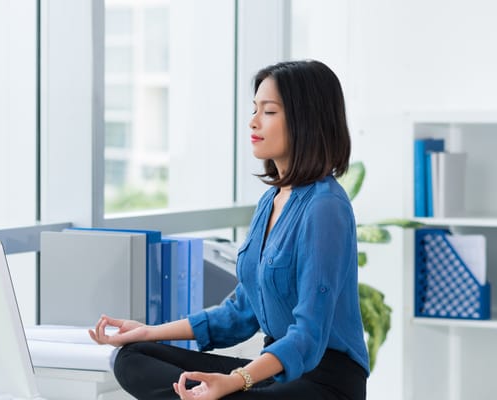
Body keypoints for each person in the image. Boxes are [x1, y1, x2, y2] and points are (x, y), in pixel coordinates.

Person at [90, 59, 369, 400]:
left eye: (269, 112)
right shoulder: (271, 201)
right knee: (132, 357)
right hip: (274, 373)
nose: (253, 122)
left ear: (305, 120)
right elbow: (239, 313)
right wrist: (148, 332)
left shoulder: (326, 207)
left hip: (324, 383)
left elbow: (308, 336)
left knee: (224, 393)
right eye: (255, 109)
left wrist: (236, 380)